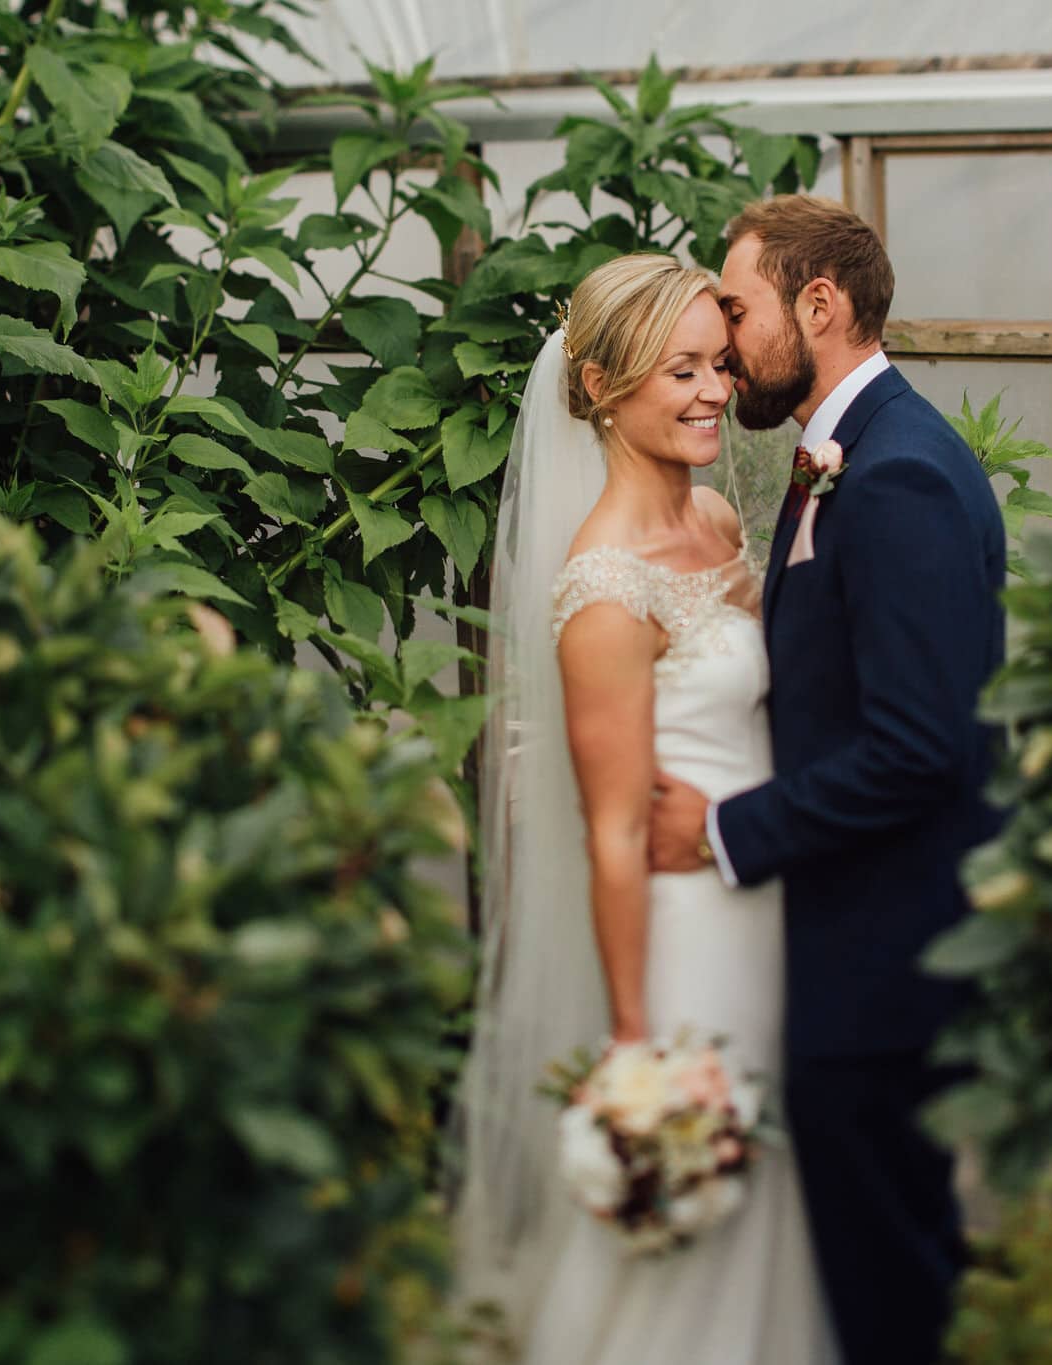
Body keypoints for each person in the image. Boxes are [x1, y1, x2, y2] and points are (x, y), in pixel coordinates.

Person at [450, 252, 840, 1364]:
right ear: (603, 390)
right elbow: (611, 833)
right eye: (680, 371)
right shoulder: (603, 591)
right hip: (685, 936)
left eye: (719, 364)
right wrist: (631, 1046)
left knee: (773, 1196)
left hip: (762, 894)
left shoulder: (717, 522)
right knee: (695, 1209)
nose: (716, 390)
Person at [646, 194, 1009, 1365]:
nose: (722, 332)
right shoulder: (842, 454)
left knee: (886, 1282)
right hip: (851, 942)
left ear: (820, 304)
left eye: (736, 308)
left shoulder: (896, 475)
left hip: (882, 958)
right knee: (880, 1263)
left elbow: (918, 746)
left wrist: (726, 828)